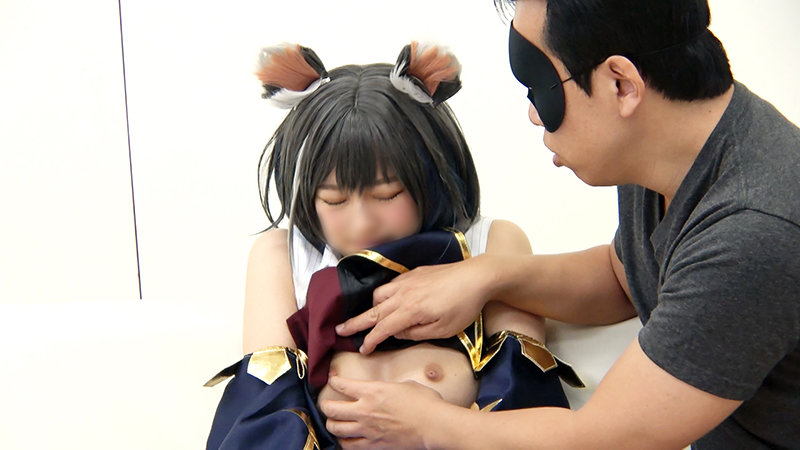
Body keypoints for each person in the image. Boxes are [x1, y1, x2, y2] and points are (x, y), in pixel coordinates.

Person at [320, 0, 800, 448]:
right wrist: (487, 275)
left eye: (541, 88)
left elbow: (605, 439)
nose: (534, 114)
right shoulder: (672, 150)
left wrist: (427, 423)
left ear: (621, 85)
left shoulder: (751, 234)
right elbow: (625, 278)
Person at [204, 40, 581, 450]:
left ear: (432, 176)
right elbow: (267, 402)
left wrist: (435, 425)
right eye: (334, 200)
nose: (362, 222)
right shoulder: (282, 254)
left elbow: (522, 391)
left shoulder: (490, 242)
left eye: (387, 195)